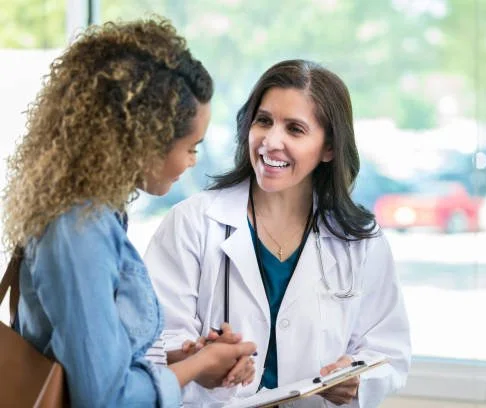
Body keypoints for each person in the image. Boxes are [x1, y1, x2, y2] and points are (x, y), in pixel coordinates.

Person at [2, 18, 257, 407]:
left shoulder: (94, 215)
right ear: (144, 141)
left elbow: (88, 363)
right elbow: (106, 399)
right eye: (191, 147)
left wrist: (186, 362)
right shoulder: (78, 230)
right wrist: (199, 363)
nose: (192, 162)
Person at [145, 59, 411, 407]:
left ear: (329, 148)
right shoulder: (192, 223)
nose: (271, 141)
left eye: (295, 129)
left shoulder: (360, 239)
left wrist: (357, 377)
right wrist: (197, 356)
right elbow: (152, 341)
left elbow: (388, 350)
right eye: (264, 121)